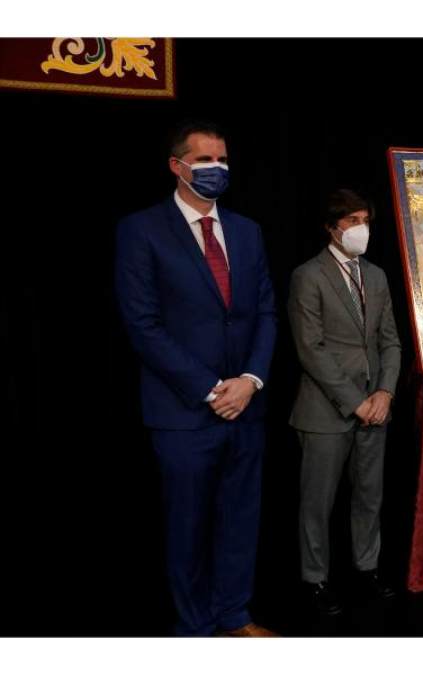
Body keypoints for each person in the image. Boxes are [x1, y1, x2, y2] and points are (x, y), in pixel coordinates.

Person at [114, 120, 278, 636]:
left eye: (222, 159)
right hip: (183, 413)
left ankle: (235, 619)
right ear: (177, 166)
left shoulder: (248, 231)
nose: (216, 168)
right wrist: (210, 390)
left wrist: (250, 380)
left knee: (239, 521)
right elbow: (143, 325)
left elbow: (266, 313)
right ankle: (195, 633)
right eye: (205, 160)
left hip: (246, 407)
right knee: (188, 529)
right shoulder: (141, 230)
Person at [287, 189, 402, 615]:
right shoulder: (308, 275)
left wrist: (385, 393)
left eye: (365, 220)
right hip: (326, 410)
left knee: (369, 496)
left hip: (376, 409)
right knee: (317, 503)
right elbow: (310, 349)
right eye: (352, 221)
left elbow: (390, 341)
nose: (361, 228)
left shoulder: (376, 275)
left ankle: (366, 570)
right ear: (331, 227)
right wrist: (356, 402)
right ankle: (315, 580)